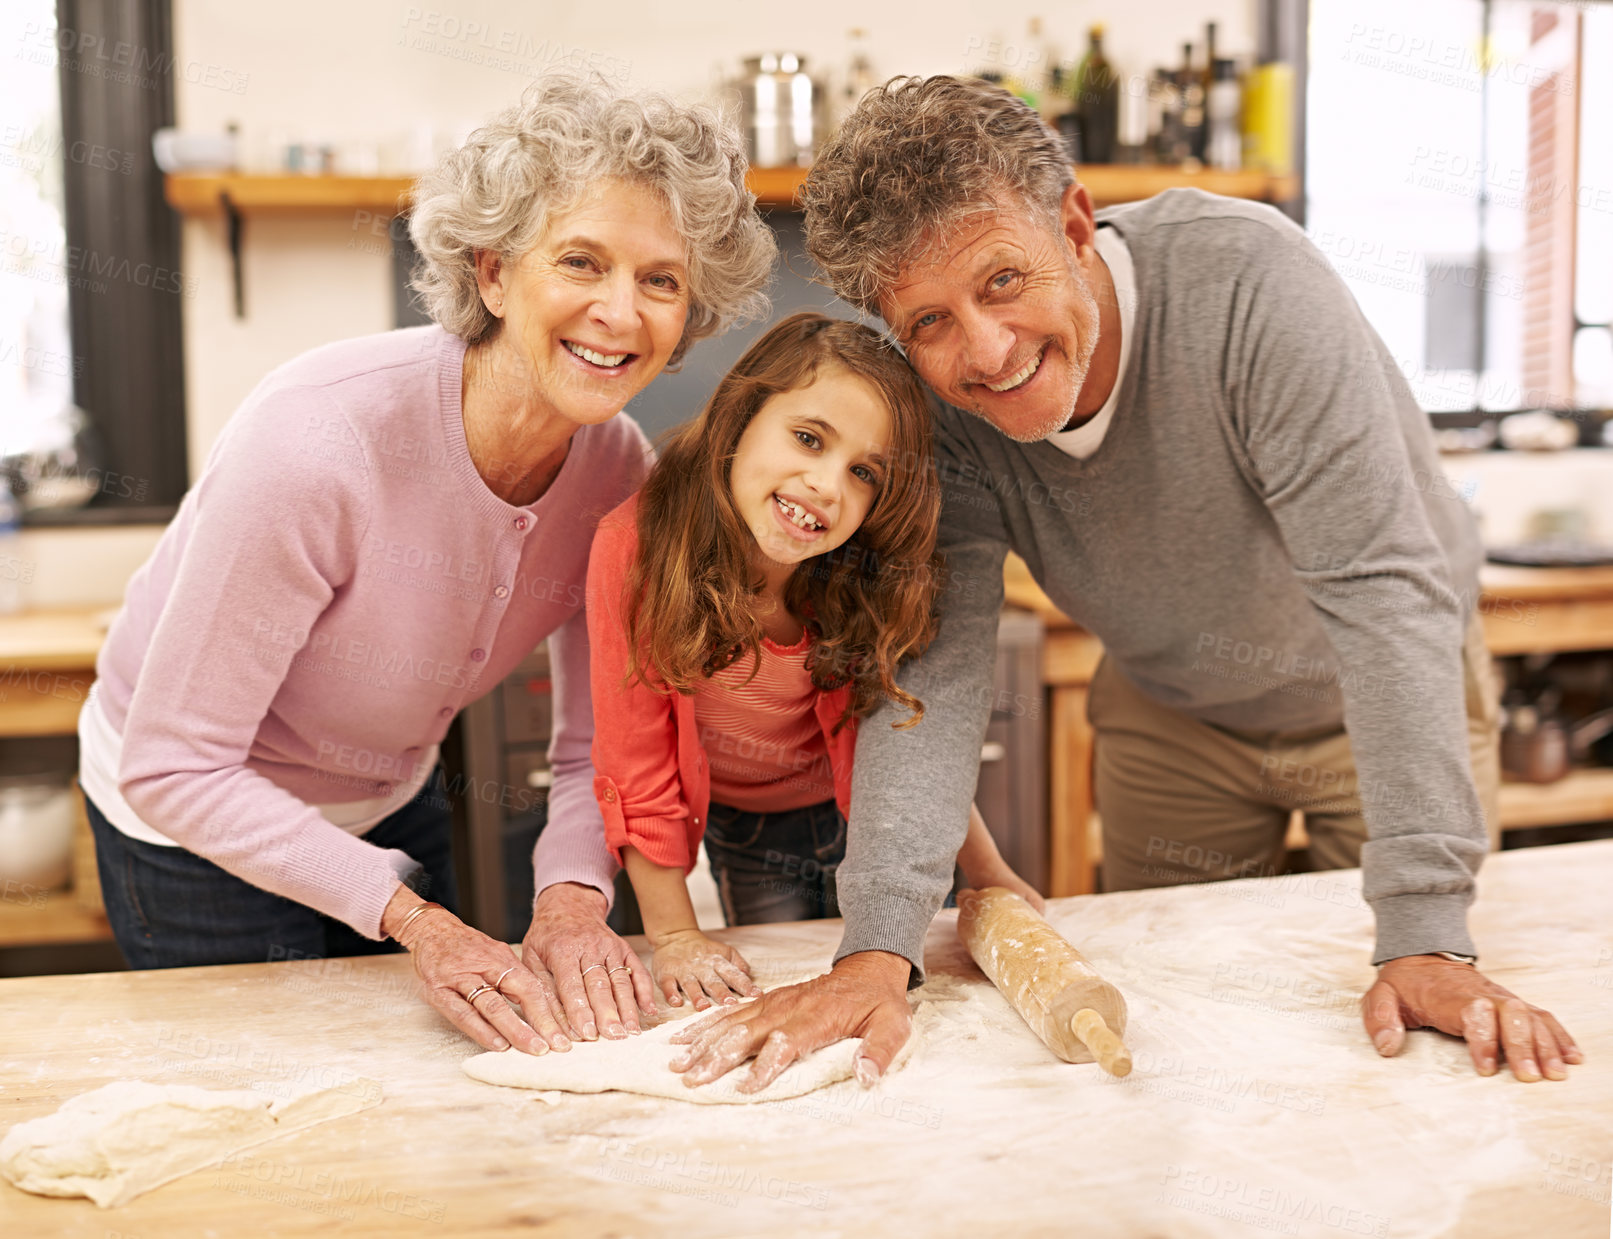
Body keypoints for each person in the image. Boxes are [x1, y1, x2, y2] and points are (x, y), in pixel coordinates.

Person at [667, 75, 1580, 1089]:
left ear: (1073, 224)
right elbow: (935, 666)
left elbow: (1380, 594)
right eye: (926, 322)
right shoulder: (944, 423)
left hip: (1374, 704)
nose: (984, 351)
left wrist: (1424, 934)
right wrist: (878, 947)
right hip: (1170, 712)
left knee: (1407, 1064)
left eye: (1002, 281)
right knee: (1178, 1049)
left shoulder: (1246, 288)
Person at [76, 75, 774, 1058]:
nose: (620, 312)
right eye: (581, 261)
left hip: (385, 799)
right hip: (189, 830)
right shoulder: (318, 441)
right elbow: (175, 764)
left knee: (423, 1094)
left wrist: (573, 903)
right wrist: (418, 920)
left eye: (660, 280)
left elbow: (591, 749)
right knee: (268, 1124)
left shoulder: (619, 475)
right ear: (492, 273)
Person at [581, 312, 1040, 1020]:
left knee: (922, 1005)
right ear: (739, 419)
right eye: (807, 438)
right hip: (753, 836)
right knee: (781, 997)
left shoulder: (861, 572)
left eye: (863, 473)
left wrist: (990, 874)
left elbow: (911, 736)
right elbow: (635, 763)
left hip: (875, 818)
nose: (826, 484)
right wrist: (673, 936)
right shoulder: (636, 549)